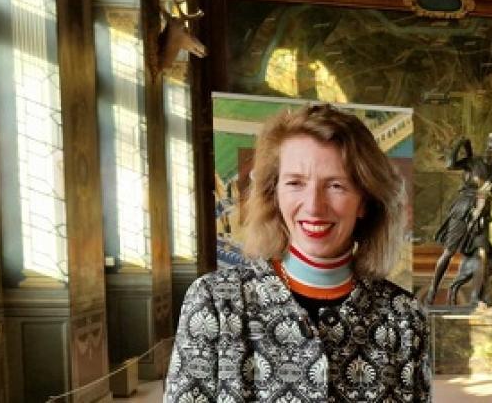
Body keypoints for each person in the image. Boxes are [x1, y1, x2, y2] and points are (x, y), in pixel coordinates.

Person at [166, 104, 430, 402]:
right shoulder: (215, 302)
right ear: (274, 194)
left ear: (364, 201)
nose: (314, 206)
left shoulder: (404, 317)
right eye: (295, 183)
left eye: (336, 185)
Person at [423, 133, 492, 306]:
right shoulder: (473, 161)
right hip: (463, 209)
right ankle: (432, 290)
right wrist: (460, 143)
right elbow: (450, 164)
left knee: (482, 254)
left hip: (482, 216)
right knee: (449, 253)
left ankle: (475, 298)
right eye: (488, 145)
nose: (489, 149)